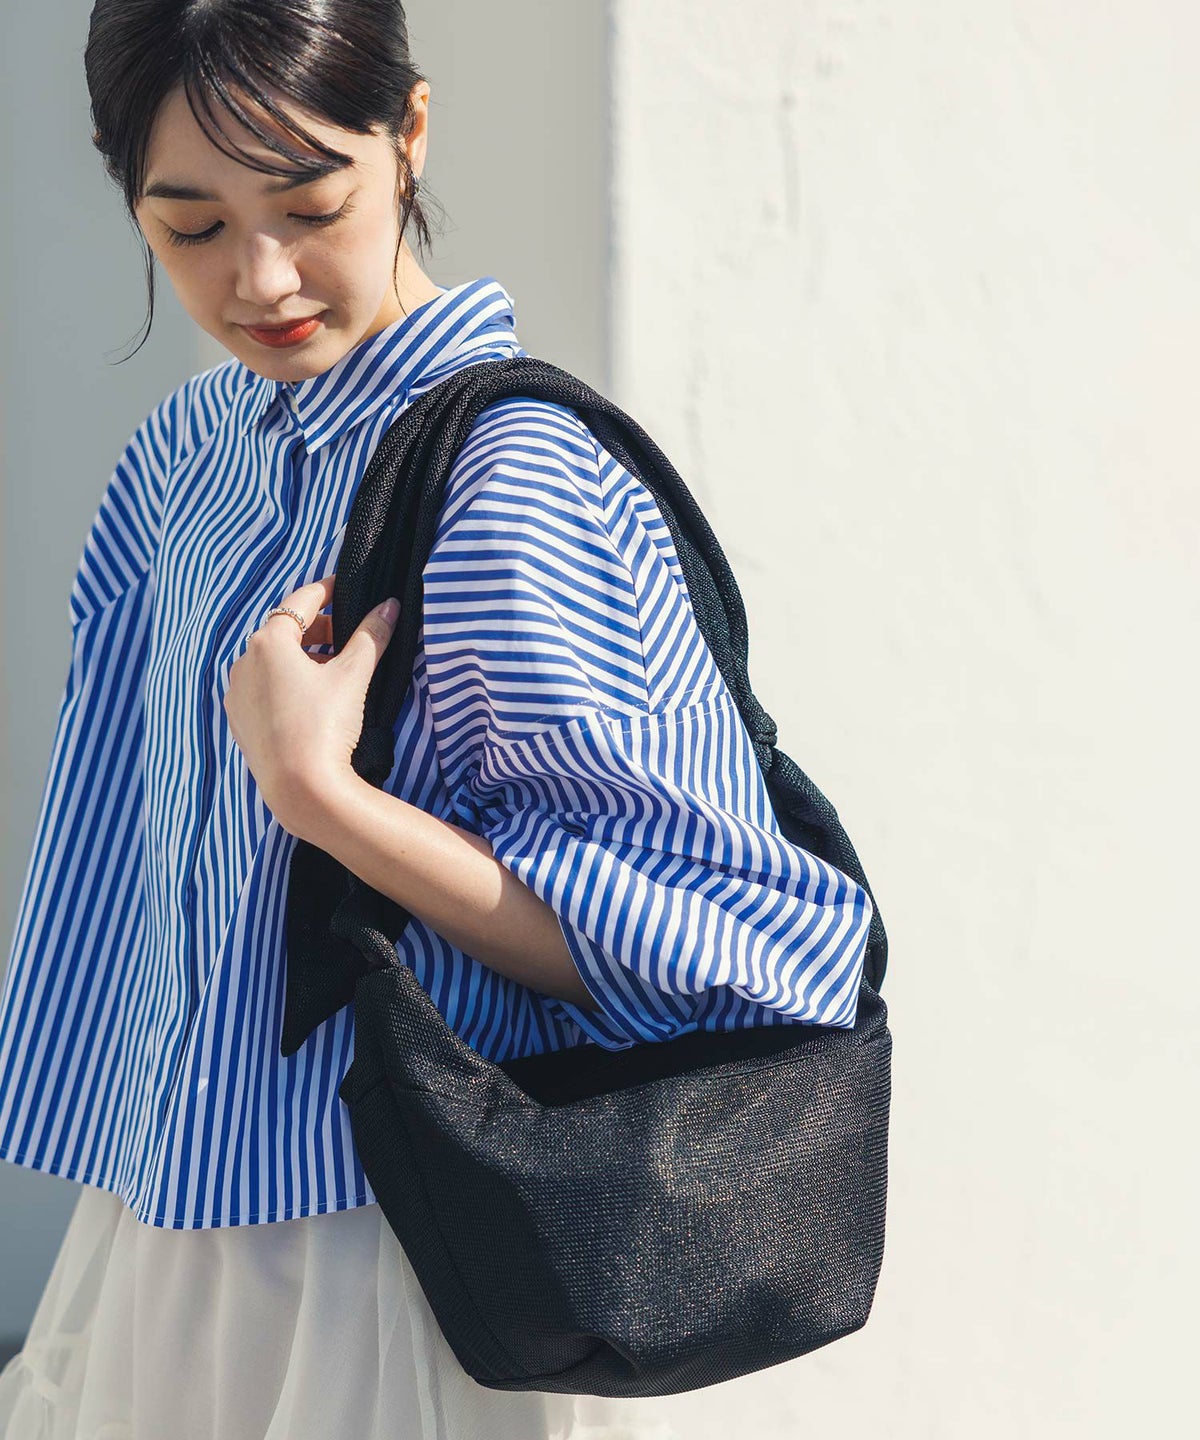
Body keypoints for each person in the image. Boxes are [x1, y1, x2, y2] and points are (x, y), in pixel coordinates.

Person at [0, 2, 875, 1435]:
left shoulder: (513, 478)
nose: (261, 277)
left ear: (408, 131)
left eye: (309, 203)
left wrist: (324, 801)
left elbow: (725, 946)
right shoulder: (183, 459)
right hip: (170, 1222)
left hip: (390, 1254)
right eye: (191, 225)